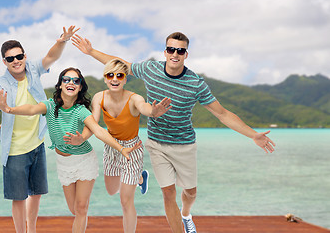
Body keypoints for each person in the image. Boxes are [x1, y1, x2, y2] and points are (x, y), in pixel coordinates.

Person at [71, 32, 276, 233]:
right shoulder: (151, 69)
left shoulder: (196, 84)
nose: (175, 54)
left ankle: (186, 214)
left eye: (180, 50)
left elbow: (222, 114)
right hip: (157, 143)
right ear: (165, 51)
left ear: (186, 54)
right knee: (168, 193)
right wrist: (90, 52)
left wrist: (253, 134)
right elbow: (121, 64)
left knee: (190, 193)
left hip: (184, 145)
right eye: (171, 49)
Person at [0, 67, 143, 233]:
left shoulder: (81, 111)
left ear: (79, 87)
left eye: (76, 81)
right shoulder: (49, 106)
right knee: (74, 210)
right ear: (60, 85)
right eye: (66, 79)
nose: (71, 82)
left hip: (84, 160)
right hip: (64, 163)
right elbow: (31, 109)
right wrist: (9, 109)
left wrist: (121, 149)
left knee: (81, 208)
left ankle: (135, 178)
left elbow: (98, 130)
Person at [0, 25, 79, 233]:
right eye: (10, 58)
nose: (16, 61)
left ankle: (32, 229)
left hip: (37, 143)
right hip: (15, 149)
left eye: (19, 56)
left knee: (37, 193)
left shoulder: (32, 68)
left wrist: (62, 41)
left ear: (24, 55)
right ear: (4, 62)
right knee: (18, 197)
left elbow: (51, 57)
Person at [63, 58, 172, 233]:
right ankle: (140, 177)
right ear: (105, 78)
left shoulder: (134, 98)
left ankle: (136, 176)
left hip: (132, 149)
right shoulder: (99, 97)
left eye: (120, 75)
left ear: (125, 79)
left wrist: (154, 112)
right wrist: (81, 138)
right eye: (110, 75)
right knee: (111, 190)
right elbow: (94, 124)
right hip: (111, 146)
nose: (115, 79)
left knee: (125, 200)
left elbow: (144, 108)